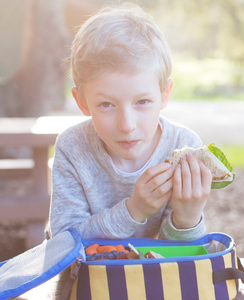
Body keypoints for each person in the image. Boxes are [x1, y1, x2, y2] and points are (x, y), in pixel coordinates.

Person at [48, 3, 212, 241]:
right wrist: (134, 210)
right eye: (106, 105)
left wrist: (187, 219)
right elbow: (65, 243)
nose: (127, 125)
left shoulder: (183, 145)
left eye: (142, 102)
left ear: (164, 94)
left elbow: (175, 261)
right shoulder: (73, 147)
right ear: (82, 102)